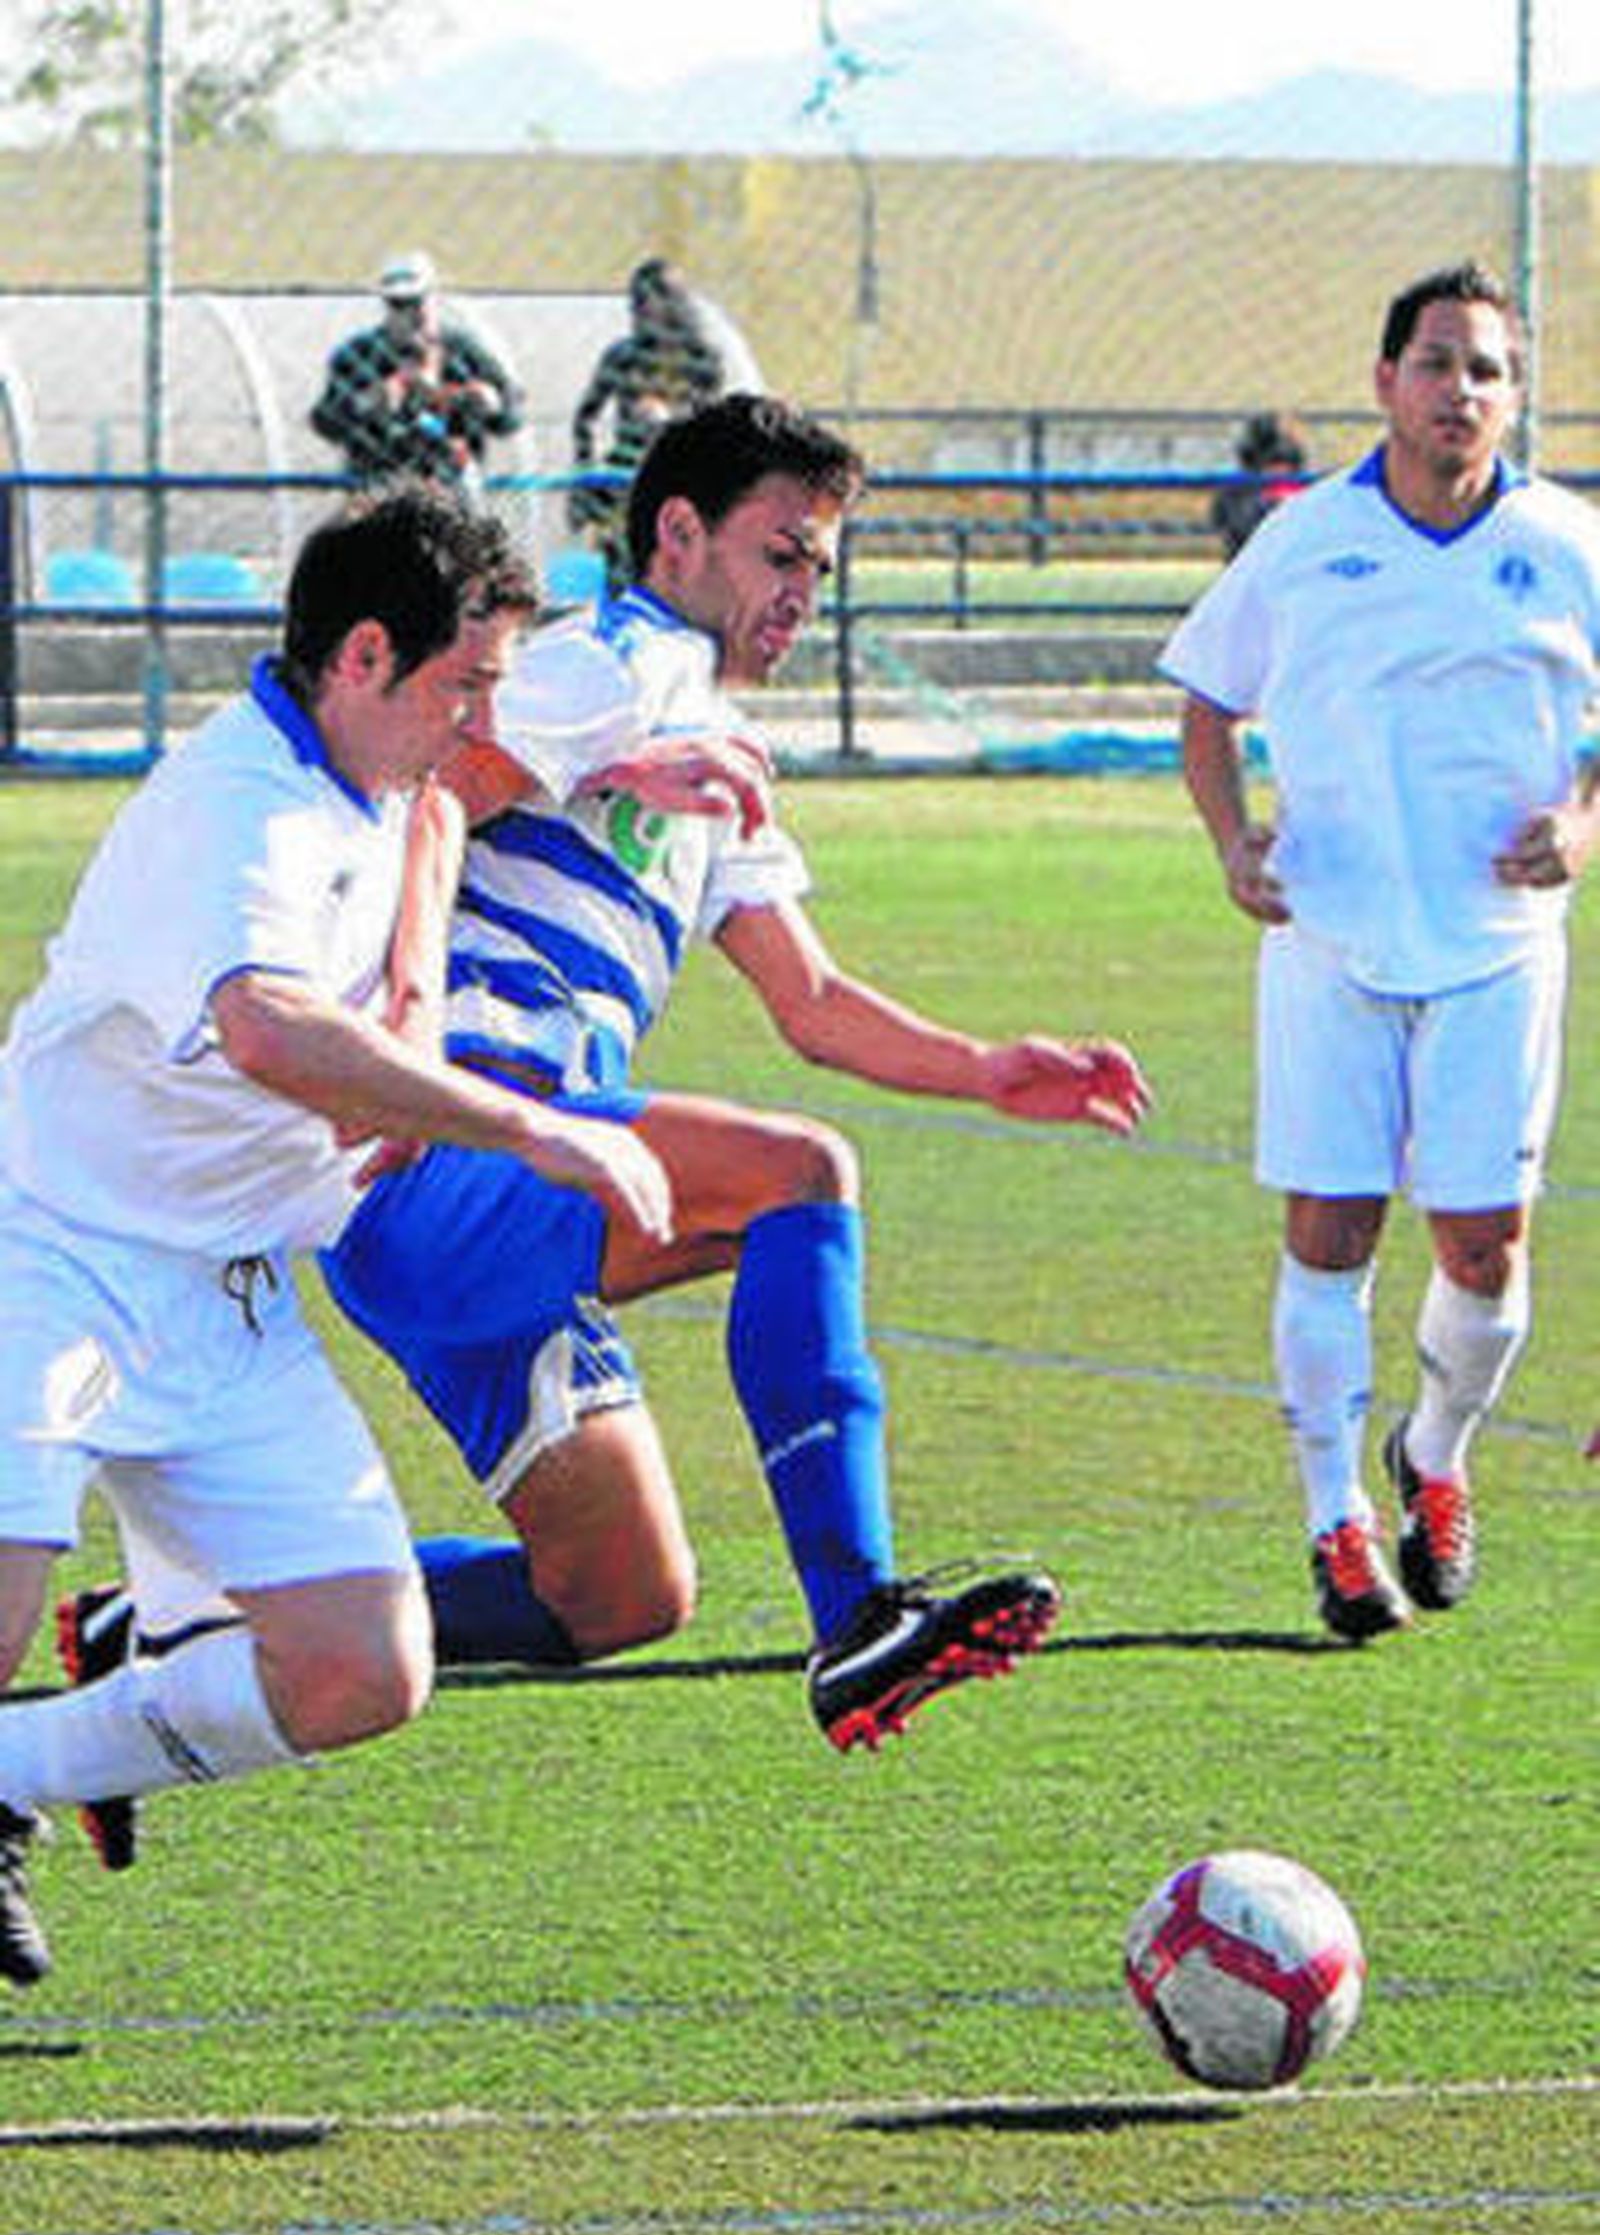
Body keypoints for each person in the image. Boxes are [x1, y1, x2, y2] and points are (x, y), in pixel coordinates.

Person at [59, 393, 1150, 1874]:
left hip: (512, 1193)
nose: (801, 593)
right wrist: (418, 1008)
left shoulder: (709, 734)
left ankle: (167, 1626)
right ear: (677, 533)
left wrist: (988, 1068)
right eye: (779, 553)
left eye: (821, 567)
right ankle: (857, 1614)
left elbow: (813, 1004)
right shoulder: (612, 663)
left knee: (620, 1597)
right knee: (798, 1177)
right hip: (466, 1150)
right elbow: (436, 794)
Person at [0, 484, 676, 1987]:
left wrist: (419, 995)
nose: (480, 724)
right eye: (464, 686)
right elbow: (267, 1027)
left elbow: (432, 820)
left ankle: (11, 1776)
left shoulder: (383, 773)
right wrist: (526, 1127)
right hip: (47, 1260)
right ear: (364, 654)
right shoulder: (235, 804)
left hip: (228, 1293)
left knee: (364, 1671)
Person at [1161, 262, 1598, 1642]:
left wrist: (1583, 822)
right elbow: (1206, 705)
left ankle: (1436, 1455)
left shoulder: (1566, 542)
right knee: (1331, 1230)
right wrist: (1233, 843)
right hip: (1330, 940)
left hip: (1500, 949)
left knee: (1486, 1253)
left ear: (1513, 396)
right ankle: (1334, 1520)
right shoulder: (1304, 540)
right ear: (1385, 383)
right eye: (1436, 362)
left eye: (1486, 369)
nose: (1459, 390)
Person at [310, 250, 524, 497]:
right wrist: (365, 402)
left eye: (417, 302)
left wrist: (491, 403)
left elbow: (510, 417)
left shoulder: (465, 352)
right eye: (398, 305)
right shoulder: (356, 356)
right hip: (378, 482)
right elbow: (324, 421)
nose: (410, 314)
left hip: (452, 484)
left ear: (434, 297)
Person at [569, 258, 726, 585]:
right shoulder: (623, 357)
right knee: (623, 562)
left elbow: (712, 424)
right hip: (628, 472)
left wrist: (672, 417)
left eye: (650, 301)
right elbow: (585, 418)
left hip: (682, 473)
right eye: (637, 302)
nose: (642, 310)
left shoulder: (701, 359)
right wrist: (585, 472)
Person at [1208, 411, 1310, 562]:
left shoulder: (1300, 487)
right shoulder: (1237, 489)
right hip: (1251, 556)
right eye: (1274, 465)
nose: (1279, 470)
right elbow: (1233, 528)